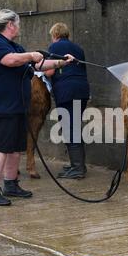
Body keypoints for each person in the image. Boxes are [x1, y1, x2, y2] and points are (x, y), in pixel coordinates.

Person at [0, 10, 74, 206]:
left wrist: (61, 62)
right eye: (18, 23)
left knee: (15, 148)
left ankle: (11, 184)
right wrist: (31, 55)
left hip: (17, 106)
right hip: (1, 105)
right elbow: (10, 60)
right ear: (10, 25)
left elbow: (38, 66)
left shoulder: (15, 46)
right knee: (0, 148)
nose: (19, 27)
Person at [45, 23, 90, 179]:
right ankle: (77, 165)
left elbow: (49, 71)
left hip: (66, 92)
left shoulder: (54, 48)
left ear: (55, 35)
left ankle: (78, 168)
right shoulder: (78, 49)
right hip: (82, 90)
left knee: (70, 129)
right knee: (75, 126)